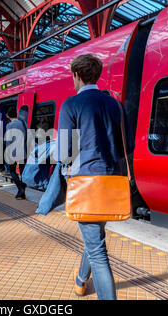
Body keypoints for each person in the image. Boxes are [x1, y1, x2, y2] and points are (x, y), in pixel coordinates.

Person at [58, 53, 120, 300]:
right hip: (113, 182)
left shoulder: (71, 105)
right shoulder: (115, 104)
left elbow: (64, 153)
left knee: (98, 251)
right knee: (95, 238)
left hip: (86, 183)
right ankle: (81, 281)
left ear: (76, 75)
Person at [5, 107, 28, 199]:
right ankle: (22, 193)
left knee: (11, 170)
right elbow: (27, 136)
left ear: (9, 116)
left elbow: (8, 140)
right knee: (23, 172)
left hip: (12, 151)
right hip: (23, 150)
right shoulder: (23, 123)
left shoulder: (9, 125)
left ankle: (20, 188)